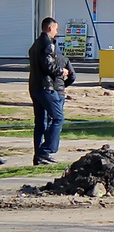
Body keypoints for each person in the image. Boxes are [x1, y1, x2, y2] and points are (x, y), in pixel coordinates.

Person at [29, 17, 69, 165]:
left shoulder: (35, 44)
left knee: (41, 122)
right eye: (56, 29)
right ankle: (46, 150)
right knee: (58, 117)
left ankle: (38, 156)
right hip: (46, 87)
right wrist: (61, 71)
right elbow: (48, 65)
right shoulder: (48, 43)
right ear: (50, 28)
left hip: (34, 86)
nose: (57, 32)